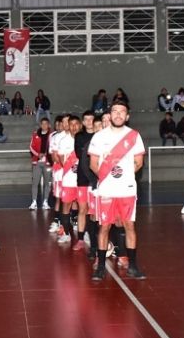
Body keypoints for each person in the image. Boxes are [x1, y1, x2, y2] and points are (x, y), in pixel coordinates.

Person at [88, 101, 146, 280]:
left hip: (127, 190)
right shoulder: (98, 137)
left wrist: (124, 176)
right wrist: (107, 177)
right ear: (110, 115)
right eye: (115, 111)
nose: (118, 114)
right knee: (104, 227)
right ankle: (100, 267)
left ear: (127, 116)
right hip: (106, 190)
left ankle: (133, 265)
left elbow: (138, 163)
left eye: (122, 112)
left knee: (129, 226)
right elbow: (93, 164)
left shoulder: (134, 136)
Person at [56, 115, 81, 245]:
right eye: (71, 124)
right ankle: (66, 233)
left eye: (77, 124)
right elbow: (61, 159)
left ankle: (83, 232)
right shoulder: (63, 141)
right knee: (66, 205)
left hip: (82, 180)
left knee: (83, 207)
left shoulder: (84, 139)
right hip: (69, 180)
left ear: (80, 125)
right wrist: (69, 168)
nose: (74, 127)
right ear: (68, 126)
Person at [74, 111, 97, 252]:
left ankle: (95, 239)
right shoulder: (79, 136)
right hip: (82, 177)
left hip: (96, 179)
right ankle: (81, 239)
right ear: (83, 122)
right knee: (82, 209)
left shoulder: (100, 136)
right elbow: (79, 153)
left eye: (91, 119)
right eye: (86, 119)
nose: (89, 122)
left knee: (95, 212)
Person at [29, 118, 52, 210]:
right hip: (37, 162)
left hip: (48, 163)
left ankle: (45, 202)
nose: (44, 125)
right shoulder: (35, 135)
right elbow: (31, 147)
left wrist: (48, 154)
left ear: (48, 125)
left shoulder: (52, 135)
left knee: (47, 183)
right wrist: (38, 154)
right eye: (42, 124)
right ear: (40, 125)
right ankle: (34, 202)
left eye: (46, 124)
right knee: (35, 182)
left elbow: (54, 147)